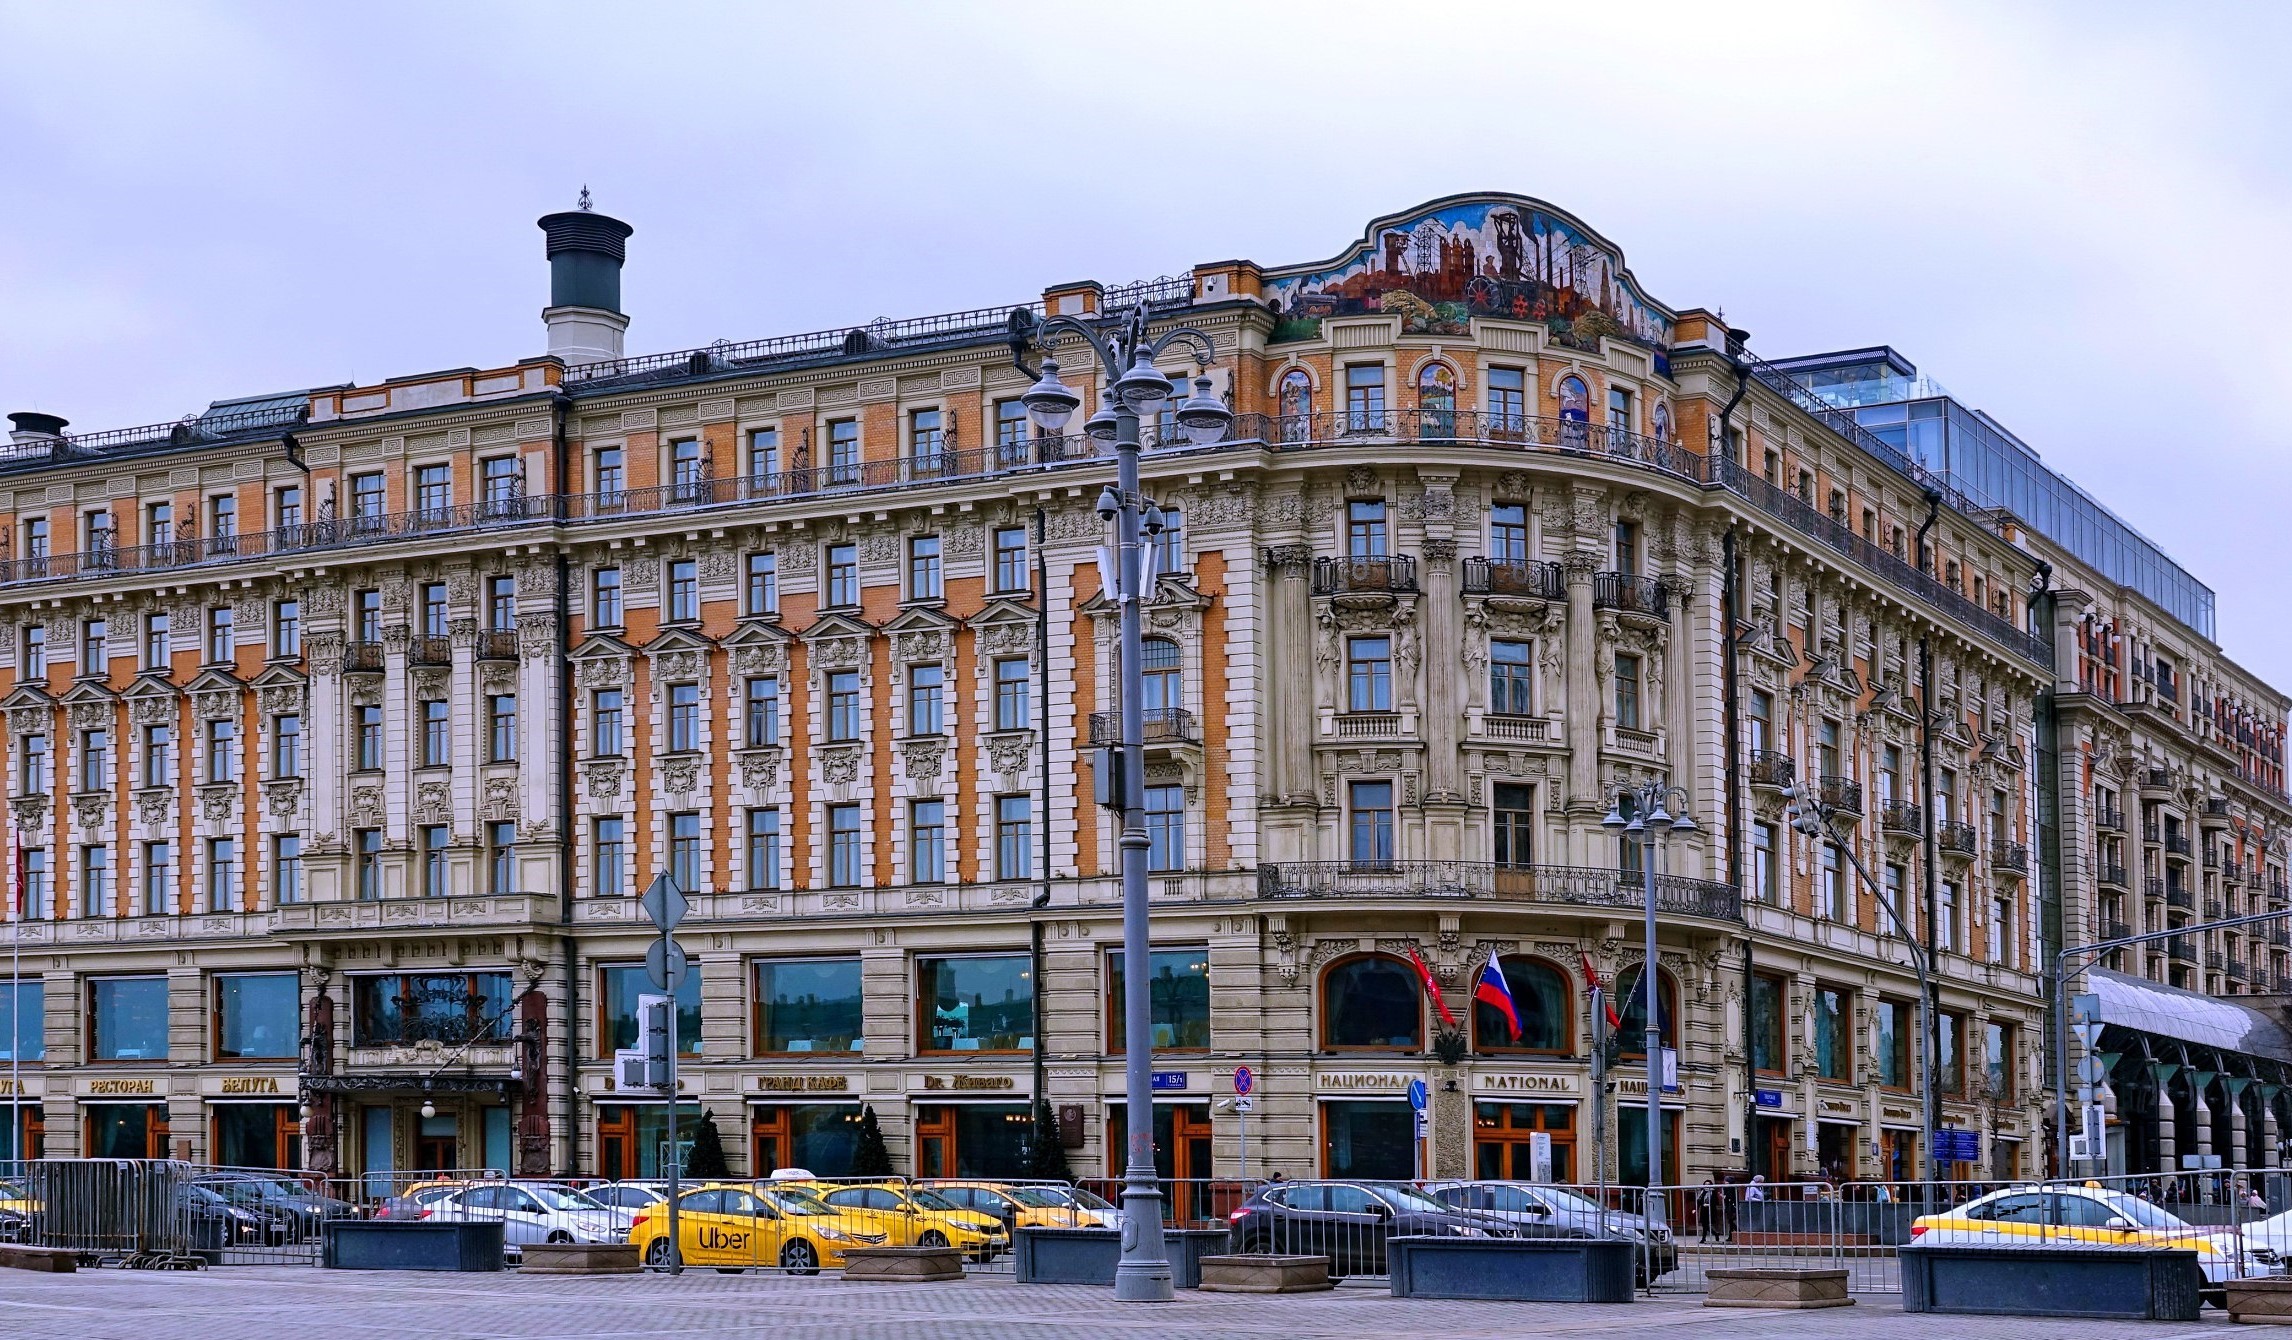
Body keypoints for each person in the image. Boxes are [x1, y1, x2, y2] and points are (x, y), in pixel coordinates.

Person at [1695, 1178, 1719, 1243]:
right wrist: (1696, 1209)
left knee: (1707, 1225)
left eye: (1708, 1184)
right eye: (1705, 1184)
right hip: (1703, 1210)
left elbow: (1716, 1201)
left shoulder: (1713, 1192)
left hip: (1710, 1210)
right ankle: (1714, 1234)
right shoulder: (1702, 1192)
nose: (1707, 1186)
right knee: (1704, 1225)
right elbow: (1699, 1201)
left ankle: (1705, 1238)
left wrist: (1709, 1205)